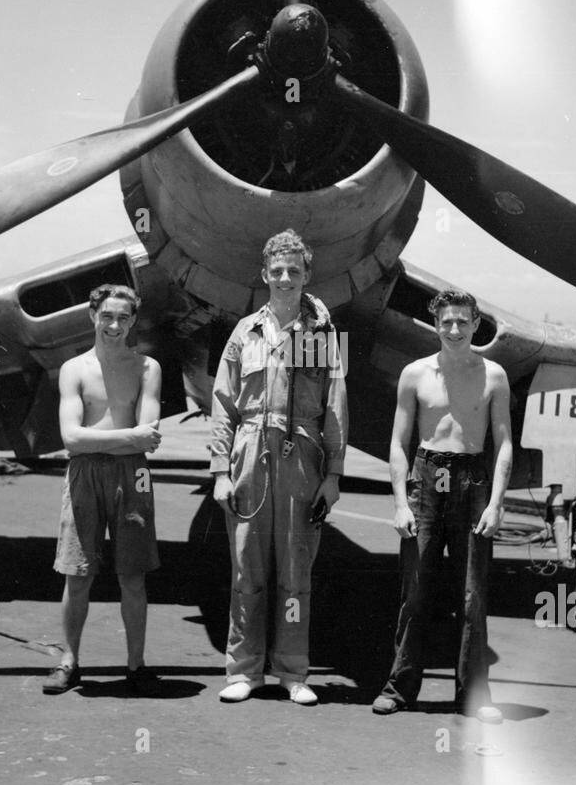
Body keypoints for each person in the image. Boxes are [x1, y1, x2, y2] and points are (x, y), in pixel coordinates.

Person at [209, 230, 348, 706]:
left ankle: (292, 671)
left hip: (301, 455)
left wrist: (332, 475)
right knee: (247, 568)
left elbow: (334, 406)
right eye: (277, 271)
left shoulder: (322, 335)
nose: (285, 278)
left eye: (294, 271)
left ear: (306, 274)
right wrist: (220, 471)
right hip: (249, 452)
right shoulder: (244, 332)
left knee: (295, 573)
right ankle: (244, 670)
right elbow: (224, 403)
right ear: (264, 275)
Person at [372, 289, 513, 723]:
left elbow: (505, 443)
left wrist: (495, 504)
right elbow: (398, 443)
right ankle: (399, 688)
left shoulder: (493, 376)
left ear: (476, 325)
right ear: (436, 323)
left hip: (472, 481)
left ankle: (474, 695)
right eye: (446, 321)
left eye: (463, 322)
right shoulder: (414, 374)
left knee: (472, 596)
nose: (454, 329)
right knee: (415, 593)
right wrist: (400, 503)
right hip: (426, 479)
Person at [43, 284, 163, 696]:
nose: (114, 325)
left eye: (124, 318)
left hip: (133, 477)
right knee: (77, 574)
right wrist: (128, 435)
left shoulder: (148, 368)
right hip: (85, 475)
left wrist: (109, 437)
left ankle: (136, 665)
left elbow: (148, 440)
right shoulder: (73, 369)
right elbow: (71, 440)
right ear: (93, 316)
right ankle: (69, 662)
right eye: (107, 316)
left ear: (133, 321)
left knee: (132, 574)